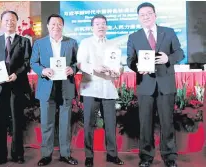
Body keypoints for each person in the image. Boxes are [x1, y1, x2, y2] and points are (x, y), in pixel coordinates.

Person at [127, 2, 184, 167]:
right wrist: (137, 67)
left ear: (155, 15)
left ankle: (170, 157)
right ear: (139, 18)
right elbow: (130, 60)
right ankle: (146, 157)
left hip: (166, 84)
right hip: (145, 84)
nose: (146, 17)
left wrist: (169, 59)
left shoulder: (169, 32)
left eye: (149, 13)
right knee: (145, 123)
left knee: (167, 122)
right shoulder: (134, 37)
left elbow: (179, 52)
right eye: (142, 15)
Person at [30, 14, 78, 166]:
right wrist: (42, 71)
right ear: (47, 26)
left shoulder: (71, 42)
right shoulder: (39, 43)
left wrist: (73, 68)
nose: (56, 26)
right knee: (47, 122)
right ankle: (46, 155)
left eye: (59, 24)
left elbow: (77, 62)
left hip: (66, 86)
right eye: (53, 24)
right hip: (47, 85)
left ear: (63, 26)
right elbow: (33, 62)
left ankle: (65, 154)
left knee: (65, 123)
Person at [77, 14, 124, 167]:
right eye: (97, 24)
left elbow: (120, 64)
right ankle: (89, 156)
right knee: (89, 124)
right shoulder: (85, 43)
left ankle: (112, 154)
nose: (101, 26)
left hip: (108, 89)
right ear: (92, 27)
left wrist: (118, 71)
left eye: (103, 24)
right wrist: (93, 68)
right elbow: (80, 63)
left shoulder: (113, 45)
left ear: (107, 26)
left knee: (110, 124)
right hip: (90, 88)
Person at [0, 10, 32, 165]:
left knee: (17, 121)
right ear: (1, 23)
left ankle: (17, 154)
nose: (10, 22)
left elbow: (27, 63)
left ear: (17, 22)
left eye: (13, 20)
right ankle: (0, 154)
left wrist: (17, 74)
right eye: (6, 20)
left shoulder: (24, 41)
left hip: (17, 86)